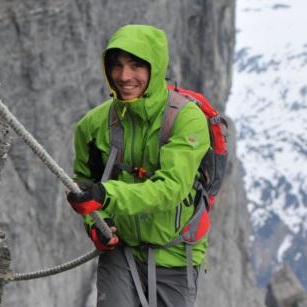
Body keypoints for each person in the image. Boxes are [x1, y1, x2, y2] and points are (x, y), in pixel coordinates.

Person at [66, 24, 210, 307]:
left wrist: (106, 195)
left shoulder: (187, 120)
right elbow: (85, 183)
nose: (124, 76)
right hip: (120, 249)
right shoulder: (92, 126)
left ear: (154, 69)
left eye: (136, 66)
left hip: (176, 254)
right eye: (116, 65)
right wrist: (95, 223)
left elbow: (172, 188)